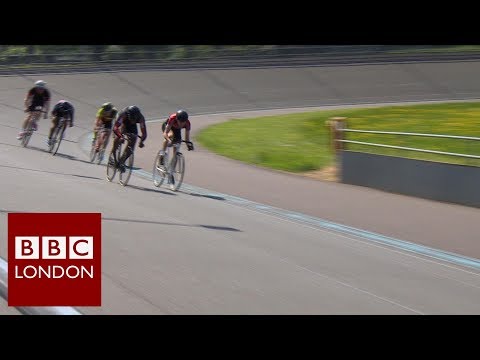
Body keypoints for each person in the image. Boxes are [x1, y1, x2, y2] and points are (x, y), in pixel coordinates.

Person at [111, 105, 147, 171]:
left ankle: (122, 162)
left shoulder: (141, 118)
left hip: (132, 126)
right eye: (132, 119)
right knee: (119, 136)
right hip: (124, 122)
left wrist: (141, 141)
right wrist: (120, 136)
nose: (133, 120)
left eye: (134, 119)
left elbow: (144, 133)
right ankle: (114, 156)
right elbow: (115, 128)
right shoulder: (123, 114)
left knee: (133, 140)